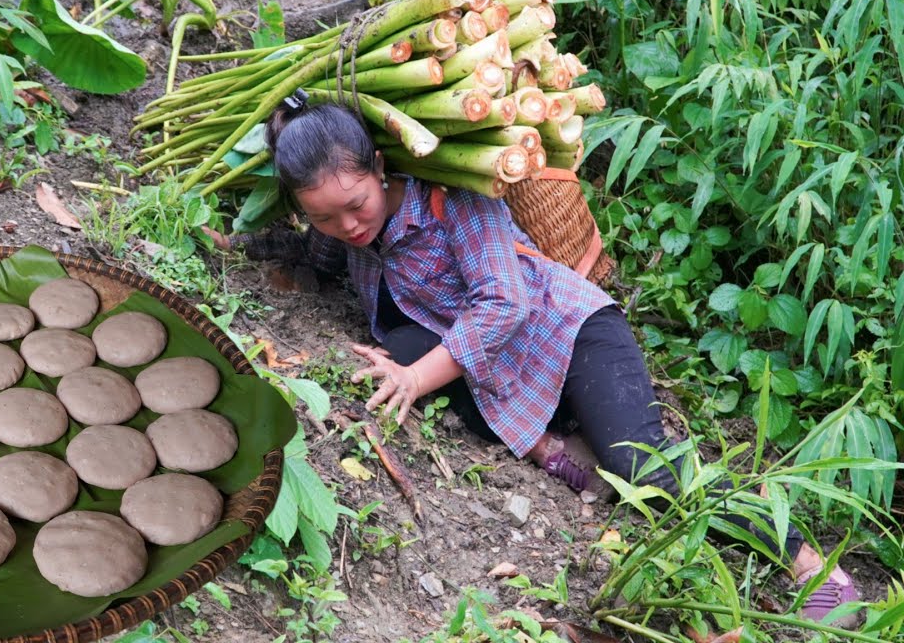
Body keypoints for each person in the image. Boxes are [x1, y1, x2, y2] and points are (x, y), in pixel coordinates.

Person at [203, 93, 860, 624]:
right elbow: (316, 257)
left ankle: (808, 561)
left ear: (379, 167)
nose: (347, 226)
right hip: (503, 366)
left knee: (643, 464)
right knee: (396, 345)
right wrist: (241, 246)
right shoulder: (348, 232)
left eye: (356, 205)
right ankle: (561, 449)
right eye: (324, 217)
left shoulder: (455, 200)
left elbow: (504, 305)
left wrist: (415, 377)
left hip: (570, 335)